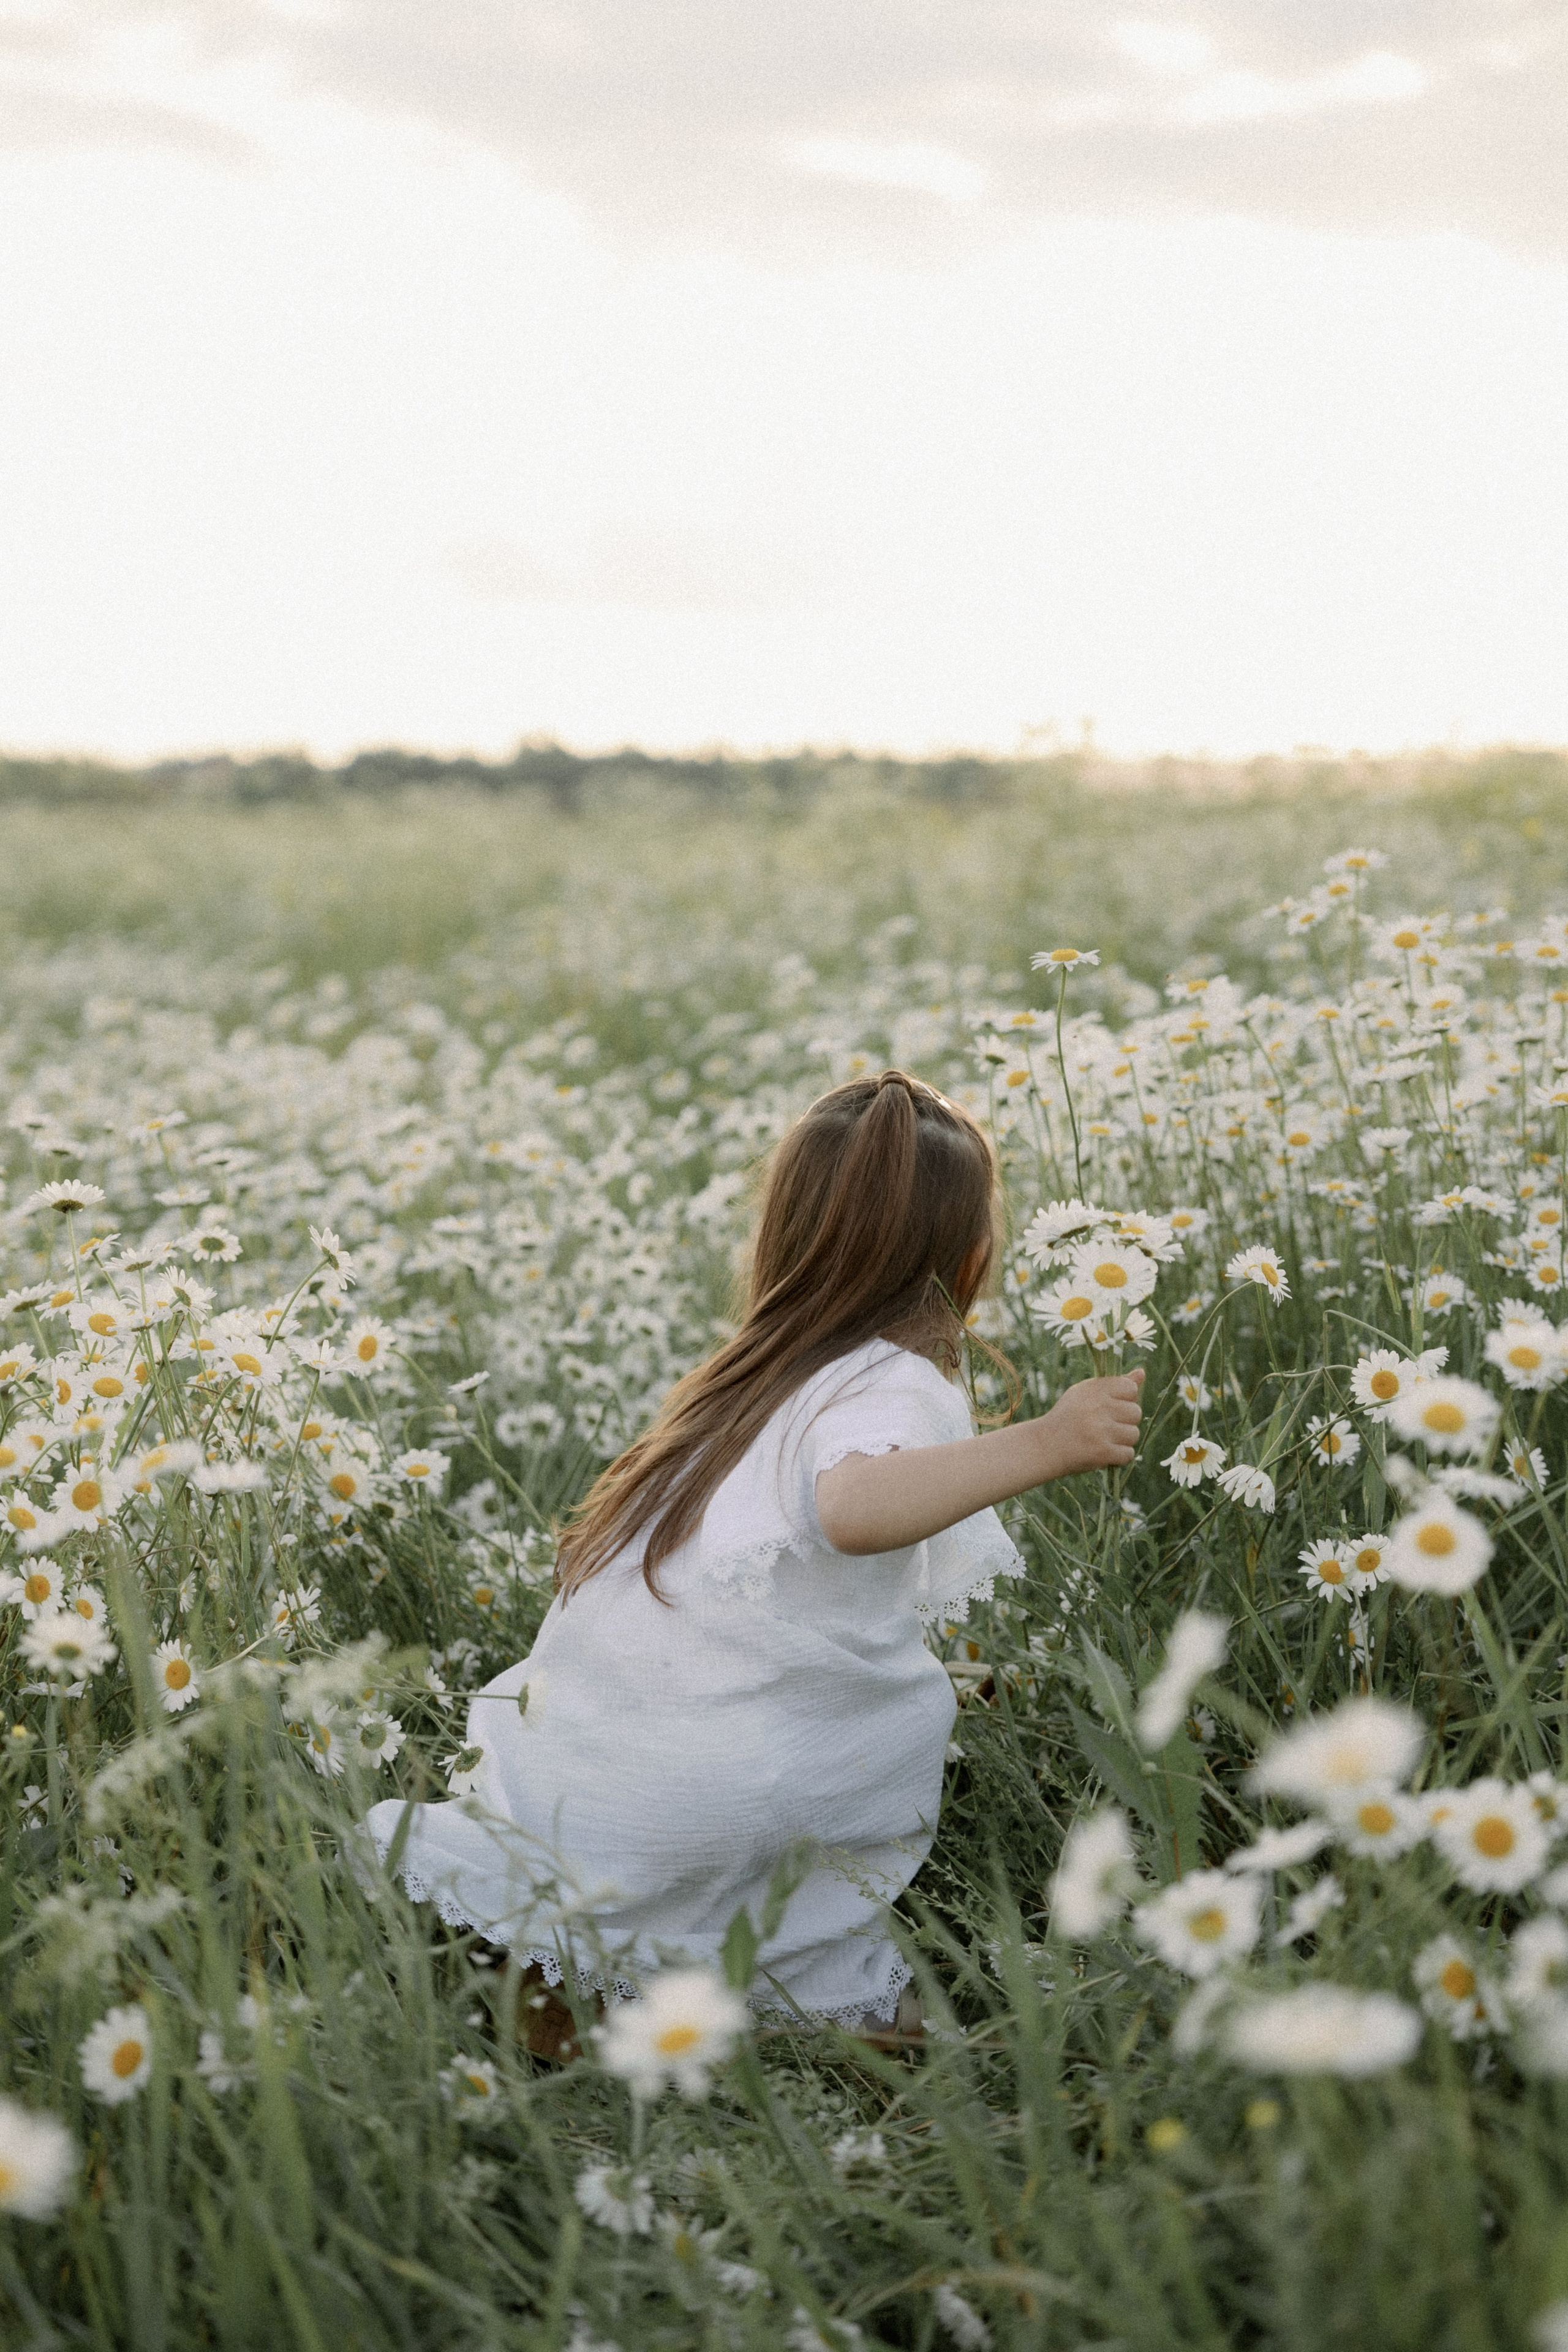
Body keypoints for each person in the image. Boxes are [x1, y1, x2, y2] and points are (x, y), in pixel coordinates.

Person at [364, 1070, 1143, 2041]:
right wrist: (1049, 1442)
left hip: (577, 1782)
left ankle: (556, 1970)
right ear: (971, 1257)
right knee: (891, 1975)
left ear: (783, 1235)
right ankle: (742, 1993)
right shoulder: (897, 1382)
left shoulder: (747, 1382)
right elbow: (851, 1508)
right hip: (714, 1804)